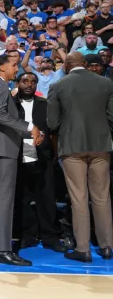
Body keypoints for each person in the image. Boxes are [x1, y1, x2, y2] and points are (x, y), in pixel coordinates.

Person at [47, 51, 113, 262]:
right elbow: (112, 117)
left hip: (72, 146)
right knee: (102, 197)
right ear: (85, 64)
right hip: (101, 145)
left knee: (79, 198)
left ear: (66, 66)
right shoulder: (106, 83)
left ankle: (83, 249)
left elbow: (52, 124)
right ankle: (107, 246)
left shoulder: (58, 86)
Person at [0, 53, 41, 266]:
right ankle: (2, 249)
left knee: (0, 199)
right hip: (3, 148)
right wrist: (29, 127)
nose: (17, 68)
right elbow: (0, 116)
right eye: (14, 65)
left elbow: (1, 121)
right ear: (2, 68)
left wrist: (31, 133)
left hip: (2, 146)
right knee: (5, 199)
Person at [13, 73, 71, 253]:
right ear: (18, 84)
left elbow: (53, 127)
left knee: (46, 197)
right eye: (25, 81)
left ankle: (50, 237)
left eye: (33, 82)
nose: (29, 84)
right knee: (22, 198)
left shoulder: (45, 104)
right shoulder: (10, 104)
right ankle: (27, 235)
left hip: (42, 153)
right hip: (19, 153)